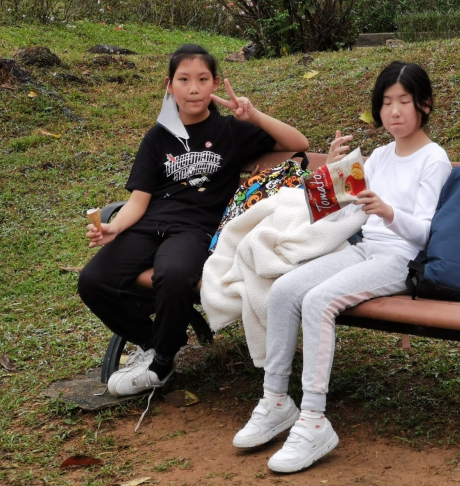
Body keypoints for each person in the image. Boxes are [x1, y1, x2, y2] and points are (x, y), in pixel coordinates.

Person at [233, 61, 452, 472]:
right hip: (363, 248)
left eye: (404, 101)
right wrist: (332, 172)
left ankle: (314, 420)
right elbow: (337, 211)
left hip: (400, 260)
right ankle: (276, 399)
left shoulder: (433, 158)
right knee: (284, 290)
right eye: (386, 102)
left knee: (318, 301)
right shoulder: (380, 156)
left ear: (423, 104)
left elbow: (425, 234)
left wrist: (388, 211)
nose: (394, 111)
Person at [78, 44, 309, 397]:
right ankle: (153, 343)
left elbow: (299, 142)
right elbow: (138, 200)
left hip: (196, 229)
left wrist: (254, 115)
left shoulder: (230, 131)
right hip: (149, 226)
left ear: (215, 84)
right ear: (169, 86)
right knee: (93, 280)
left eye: (203, 79)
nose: (194, 89)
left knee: (173, 275)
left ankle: (160, 365)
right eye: (184, 80)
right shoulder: (157, 137)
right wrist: (115, 227)